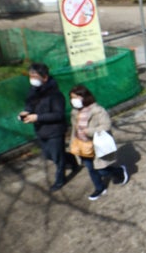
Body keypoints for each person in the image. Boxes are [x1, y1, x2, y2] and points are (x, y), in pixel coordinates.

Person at [19, 63, 78, 192]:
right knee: (48, 155)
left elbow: (58, 115)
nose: (32, 79)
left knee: (57, 157)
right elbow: (29, 105)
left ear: (44, 78)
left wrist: (38, 117)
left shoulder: (55, 95)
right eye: (30, 76)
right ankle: (71, 159)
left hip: (55, 131)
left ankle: (60, 179)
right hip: (41, 131)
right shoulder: (33, 91)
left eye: (35, 76)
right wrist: (26, 113)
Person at [68, 84, 129, 201]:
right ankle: (99, 188)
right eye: (71, 98)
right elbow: (74, 129)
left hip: (97, 145)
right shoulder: (74, 113)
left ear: (84, 97)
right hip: (83, 145)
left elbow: (106, 126)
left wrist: (89, 131)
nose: (73, 101)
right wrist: (72, 143)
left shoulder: (98, 111)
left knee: (101, 169)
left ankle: (119, 171)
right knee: (90, 168)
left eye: (76, 97)